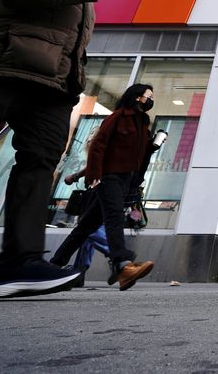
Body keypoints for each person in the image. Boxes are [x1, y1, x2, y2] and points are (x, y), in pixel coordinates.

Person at [0, 0, 128, 298]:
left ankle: (18, 264)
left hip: (52, 88)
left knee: (39, 167)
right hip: (2, 69)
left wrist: (73, 84)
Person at [50, 83, 157, 291]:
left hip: (126, 181)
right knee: (114, 216)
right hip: (109, 177)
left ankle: (55, 264)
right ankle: (123, 265)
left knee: (85, 228)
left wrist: (151, 149)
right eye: (148, 95)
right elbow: (99, 145)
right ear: (137, 97)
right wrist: (93, 175)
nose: (151, 99)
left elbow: (140, 158)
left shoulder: (143, 123)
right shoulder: (117, 117)